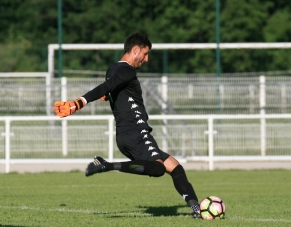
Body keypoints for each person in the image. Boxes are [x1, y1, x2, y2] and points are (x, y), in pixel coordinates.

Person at [53, 33, 201, 218]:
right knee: (158, 169)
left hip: (126, 135)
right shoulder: (127, 70)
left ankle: (195, 207)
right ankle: (107, 165)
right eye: (145, 54)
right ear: (135, 50)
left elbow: (109, 89)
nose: (146, 59)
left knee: (175, 167)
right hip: (137, 132)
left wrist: (107, 95)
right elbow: (106, 87)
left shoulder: (112, 68)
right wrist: (79, 103)